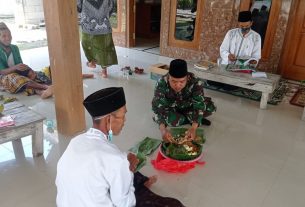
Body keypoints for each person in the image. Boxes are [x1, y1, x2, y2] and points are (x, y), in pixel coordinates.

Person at [56, 87, 184, 207]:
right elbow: (125, 204)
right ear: (108, 120)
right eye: (123, 116)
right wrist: (129, 171)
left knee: (123, 168)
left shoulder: (75, 141)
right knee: (174, 204)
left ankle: (138, 183)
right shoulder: (116, 159)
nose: (125, 121)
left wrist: (126, 168)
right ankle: (138, 186)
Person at [152, 59, 216, 143]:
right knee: (172, 121)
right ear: (168, 78)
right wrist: (163, 130)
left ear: (187, 78)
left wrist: (193, 128)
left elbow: (199, 105)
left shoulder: (195, 82)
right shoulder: (161, 83)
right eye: (173, 81)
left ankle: (190, 119)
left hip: (189, 106)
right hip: (172, 108)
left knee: (210, 108)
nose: (177, 85)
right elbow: (158, 108)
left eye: (182, 81)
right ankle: (191, 118)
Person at [0, 22, 53, 98]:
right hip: (4, 77)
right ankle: (46, 87)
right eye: (4, 36)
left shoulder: (15, 48)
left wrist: (27, 69)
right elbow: (2, 71)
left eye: (9, 35)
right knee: (15, 78)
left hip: (17, 74)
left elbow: (20, 65)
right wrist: (15, 67)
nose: (8, 38)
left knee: (36, 74)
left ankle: (38, 90)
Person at [77, 0, 118, 78]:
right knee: (86, 43)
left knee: (102, 47)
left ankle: (103, 68)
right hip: (93, 25)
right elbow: (78, 7)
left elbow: (111, 6)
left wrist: (101, 15)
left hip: (99, 25)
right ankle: (92, 62)